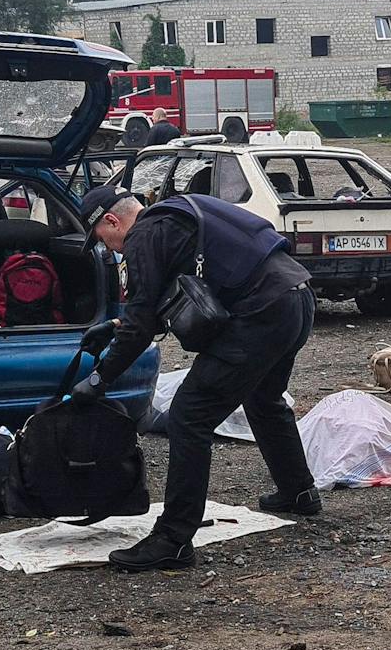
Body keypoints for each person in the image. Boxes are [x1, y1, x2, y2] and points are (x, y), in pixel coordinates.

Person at [77, 182, 318, 571]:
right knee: (263, 398)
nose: (107, 249)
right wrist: (115, 325)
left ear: (111, 220)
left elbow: (142, 325)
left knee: (189, 417)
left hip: (261, 313)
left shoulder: (144, 235)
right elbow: (163, 299)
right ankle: (299, 491)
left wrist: (100, 379)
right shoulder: (178, 213)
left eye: (102, 239)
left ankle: (173, 538)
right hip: (297, 296)